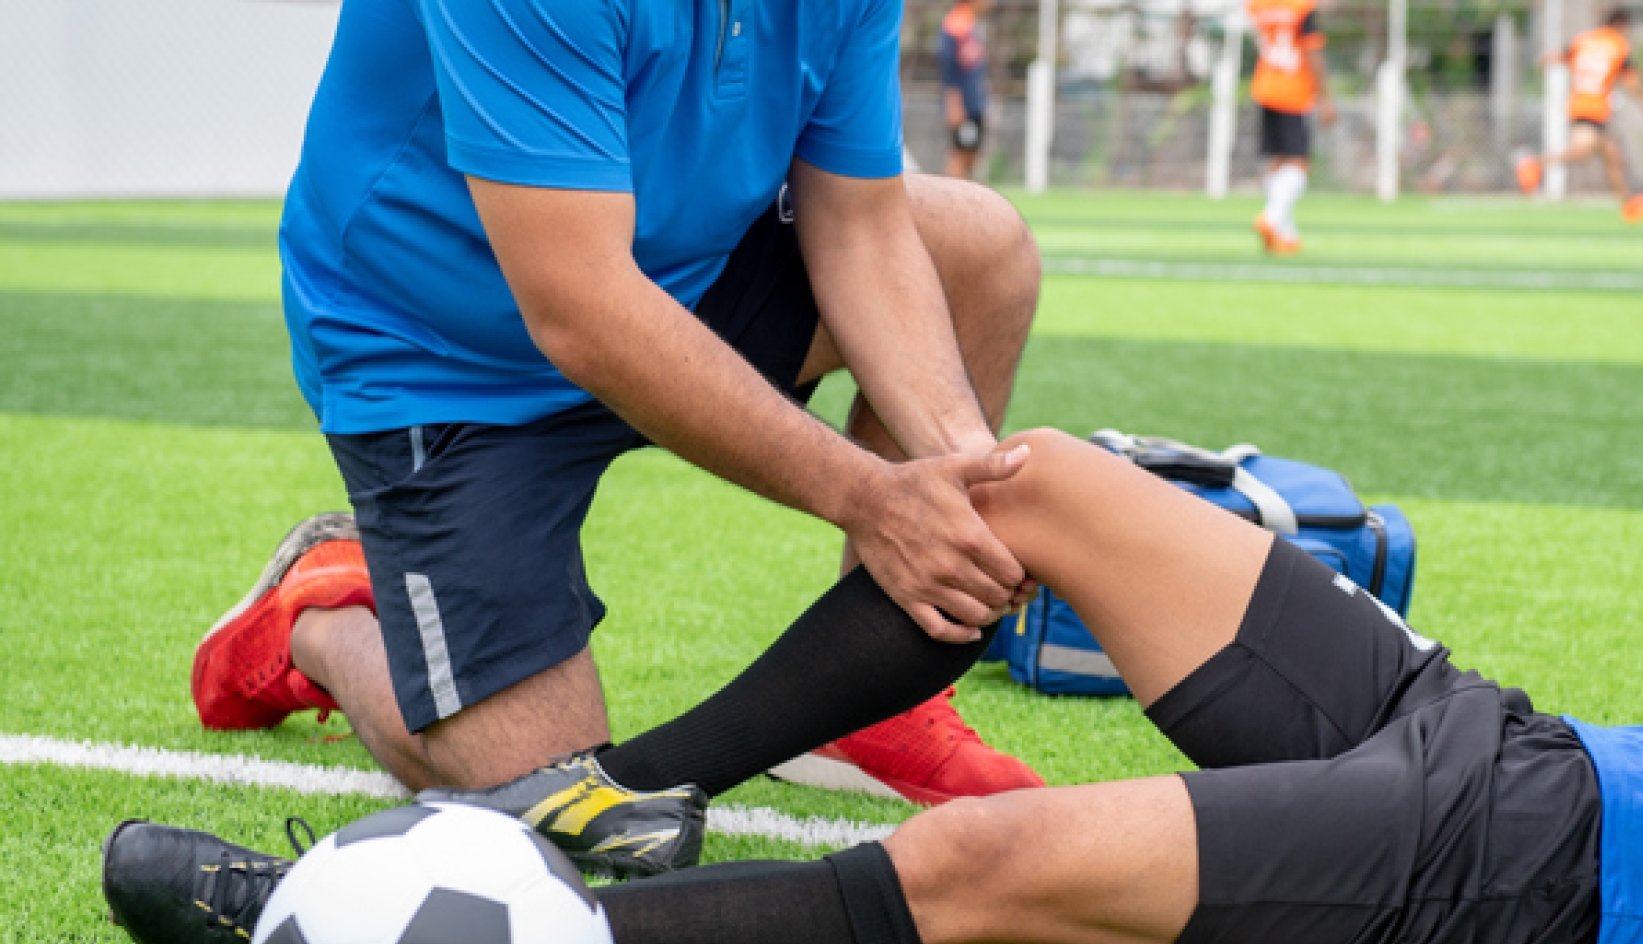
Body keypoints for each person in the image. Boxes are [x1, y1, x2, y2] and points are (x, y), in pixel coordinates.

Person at [111, 430, 1643, 944]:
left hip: (1531, 874)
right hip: (1518, 744)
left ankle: (334, 924)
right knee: (1030, 487)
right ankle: (612, 793)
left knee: (984, 858)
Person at [189, 0, 1055, 847]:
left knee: (976, 246)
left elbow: (861, 225)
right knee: (551, 789)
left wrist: (966, 478)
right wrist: (873, 498)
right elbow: (582, 309)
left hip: (675, 271)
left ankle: (880, 710)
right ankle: (322, 613)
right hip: (441, 351)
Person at [1515, 8, 1643, 224]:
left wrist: (1541, 62)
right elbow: (1631, 82)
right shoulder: (1618, 45)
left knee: (1613, 157)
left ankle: (1628, 205)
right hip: (1595, 107)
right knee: (1581, 152)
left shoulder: (1584, 40)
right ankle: (1533, 163)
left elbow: (1556, 56)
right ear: (1620, 24)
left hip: (1579, 103)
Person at [1248, 0, 1338, 255]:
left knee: (1278, 160)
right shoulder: (1301, 7)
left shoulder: (1259, 5)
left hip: (1266, 85)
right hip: (1294, 90)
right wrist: (1326, 97)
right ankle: (1272, 218)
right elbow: (1312, 51)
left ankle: (1284, 233)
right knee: (1299, 162)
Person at [939, 0, 994, 180]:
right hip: (963, 106)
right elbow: (949, 68)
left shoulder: (971, 24)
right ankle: (949, 202)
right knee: (960, 154)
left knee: (972, 153)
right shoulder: (956, 25)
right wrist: (954, 104)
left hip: (975, 104)